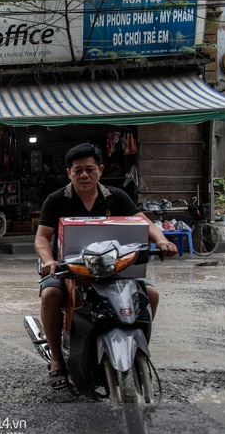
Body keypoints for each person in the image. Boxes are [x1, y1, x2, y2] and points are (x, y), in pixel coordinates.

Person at [34, 143, 177, 390]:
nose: (84, 175)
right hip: (70, 269)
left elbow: (144, 223)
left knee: (150, 295)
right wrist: (49, 261)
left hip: (116, 267)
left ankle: (137, 350)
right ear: (69, 172)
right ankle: (57, 361)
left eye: (90, 169)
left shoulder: (116, 197)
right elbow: (41, 237)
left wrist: (162, 240)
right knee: (50, 294)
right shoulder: (56, 200)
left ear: (100, 170)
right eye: (77, 170)